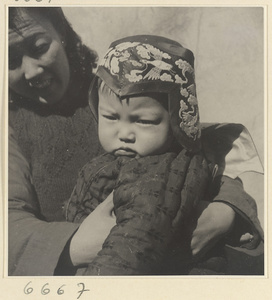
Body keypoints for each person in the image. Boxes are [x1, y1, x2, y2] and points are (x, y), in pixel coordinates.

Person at [8, 7, 263, 276]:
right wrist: (76, 244)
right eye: (10, 58)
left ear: (62, 32)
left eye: (39, 47)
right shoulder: (10, 125)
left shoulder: (120, 84)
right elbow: (8, 221)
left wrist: (225, 212)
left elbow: (203, 154)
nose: (32, 70)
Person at [64, 35, 264, 275]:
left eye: (144, 121)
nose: (125, 133)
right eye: (111, 117)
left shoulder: (159, 173)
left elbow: (135, 243)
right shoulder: (130, 158)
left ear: (176, 122)